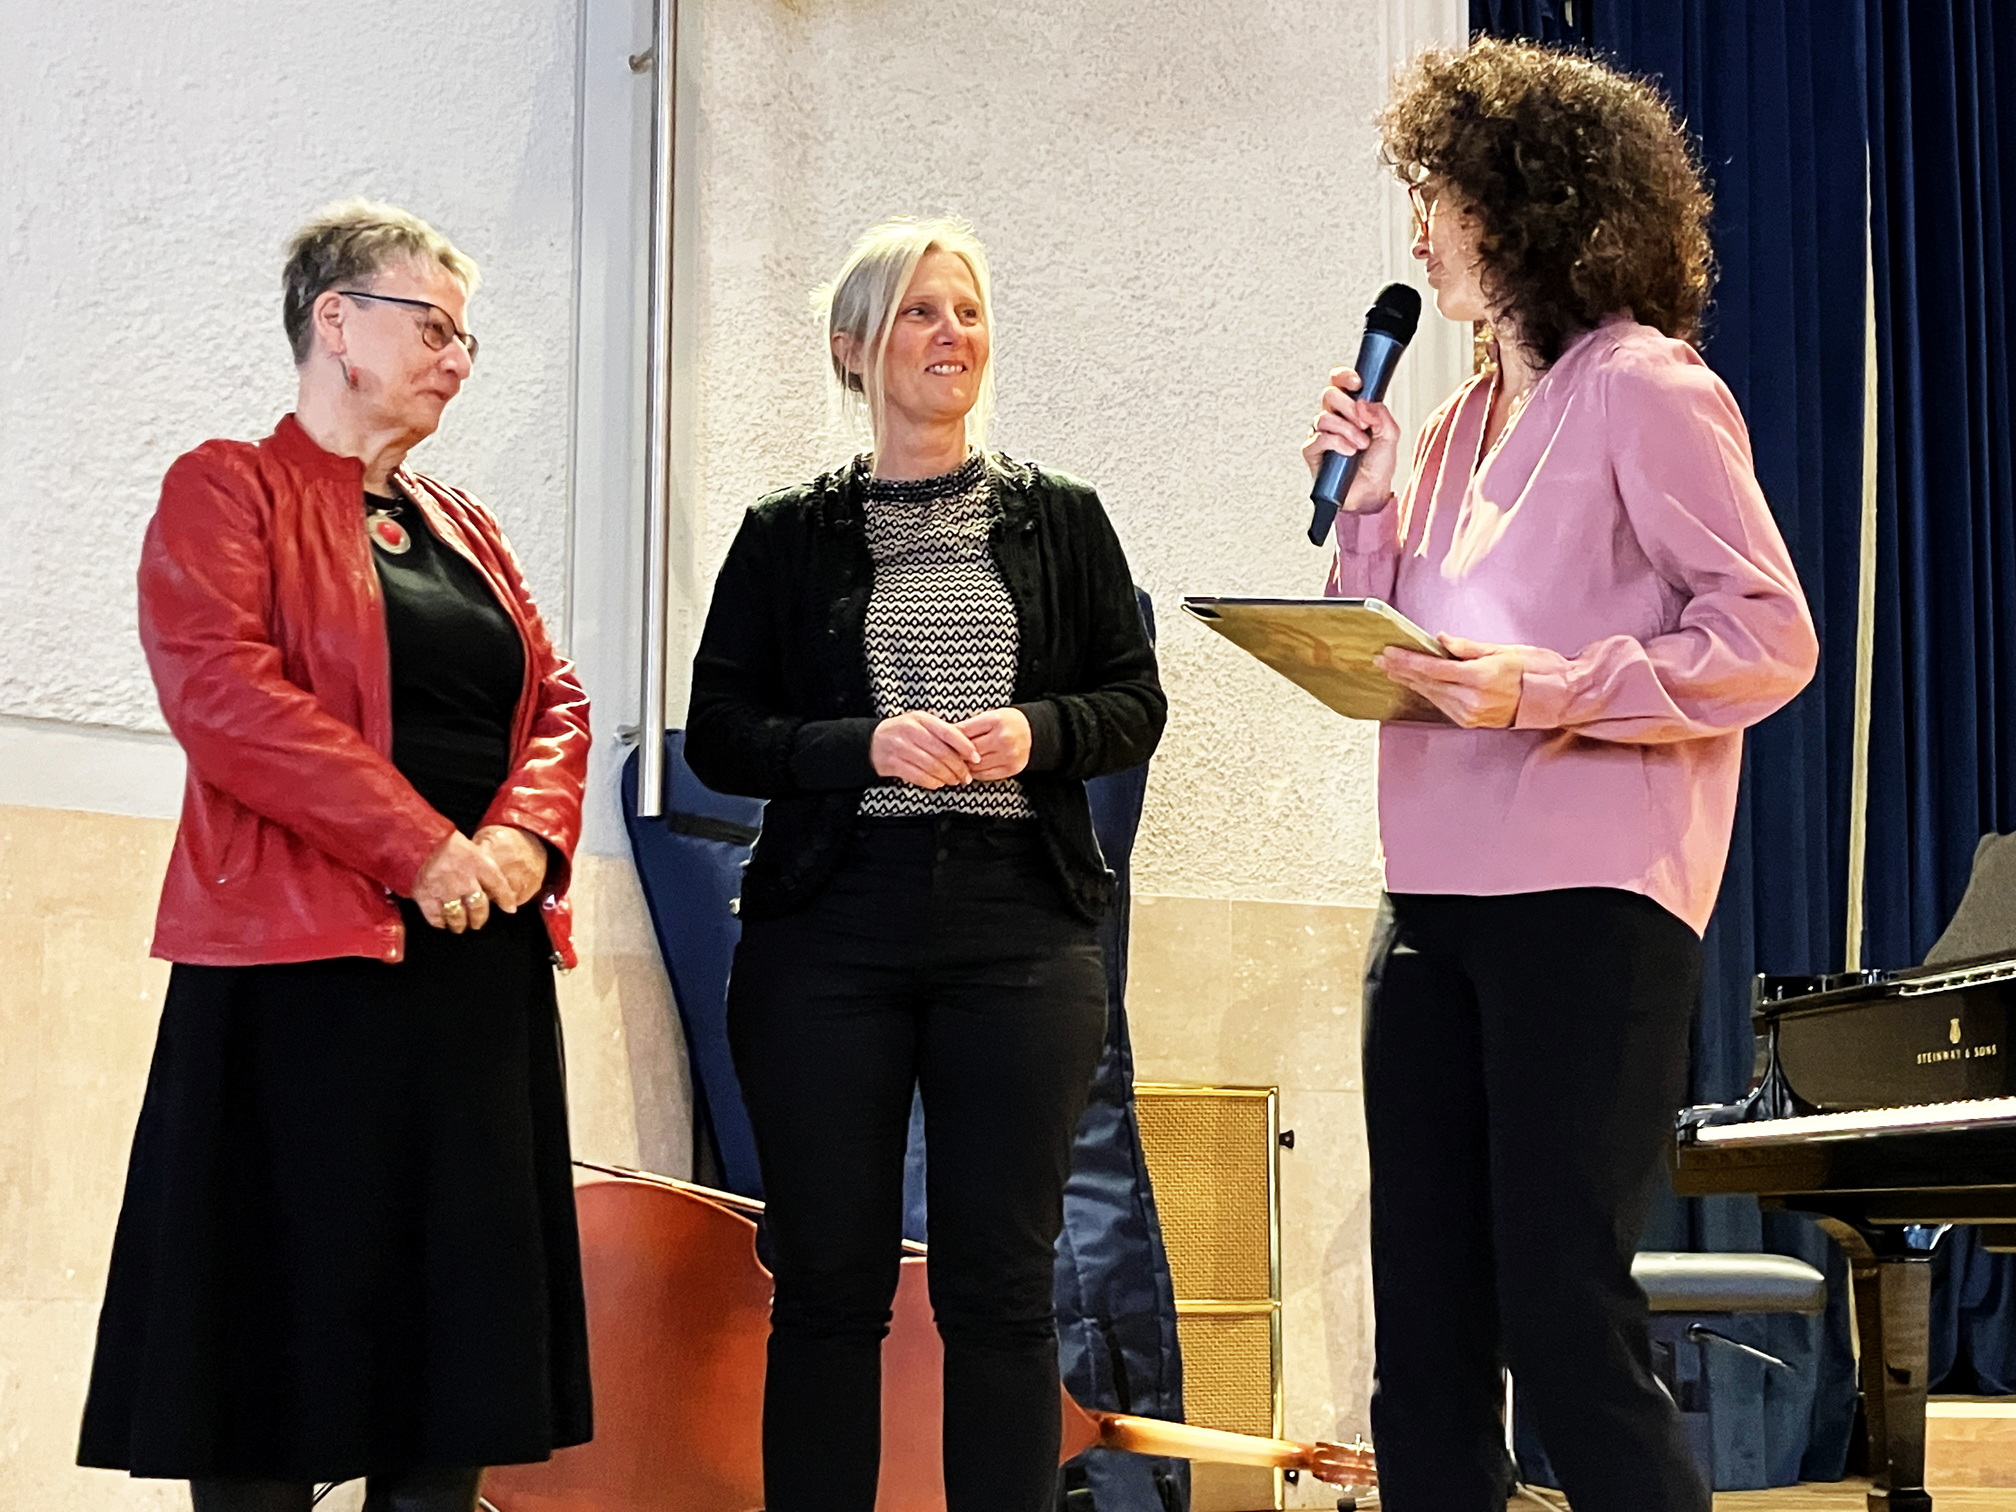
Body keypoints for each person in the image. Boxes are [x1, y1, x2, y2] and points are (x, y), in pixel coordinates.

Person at [1301, 40, 1819, 1512]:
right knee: (1426, 1334)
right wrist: (1371, 508)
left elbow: (1768, 639)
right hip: (1431, 905)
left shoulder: (1648, 389)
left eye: (1441, 196)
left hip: (1589, 909)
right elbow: (1392, 648)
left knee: (1561, 1315)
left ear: (1525, 204)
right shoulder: (1452, 424)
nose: (1418, 231)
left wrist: (1552, 686)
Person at [78, 200, 593, 1512]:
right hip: (298, 980)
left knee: (452, 1363)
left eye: (467, 339)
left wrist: (521, 838)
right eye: (434, 327)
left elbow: (558, 700)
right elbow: (225, 695)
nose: (457, 359)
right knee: (273, 1353)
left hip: (471, 980)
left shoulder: (466, 524)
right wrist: (419, 849)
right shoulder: (226, 487)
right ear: (337, 322)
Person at [685, 216, 1165, 1512]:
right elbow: (720, 732)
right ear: (855, 347)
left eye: (967, 311)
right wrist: (865, 745)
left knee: (1001, 1291)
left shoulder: (1063, 520)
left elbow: (1133, 702)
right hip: (827, 936)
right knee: (828, 1286)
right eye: (919, 311)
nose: (952, 334)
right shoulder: (785, 534)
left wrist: (1039, 731)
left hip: (1021, 934)